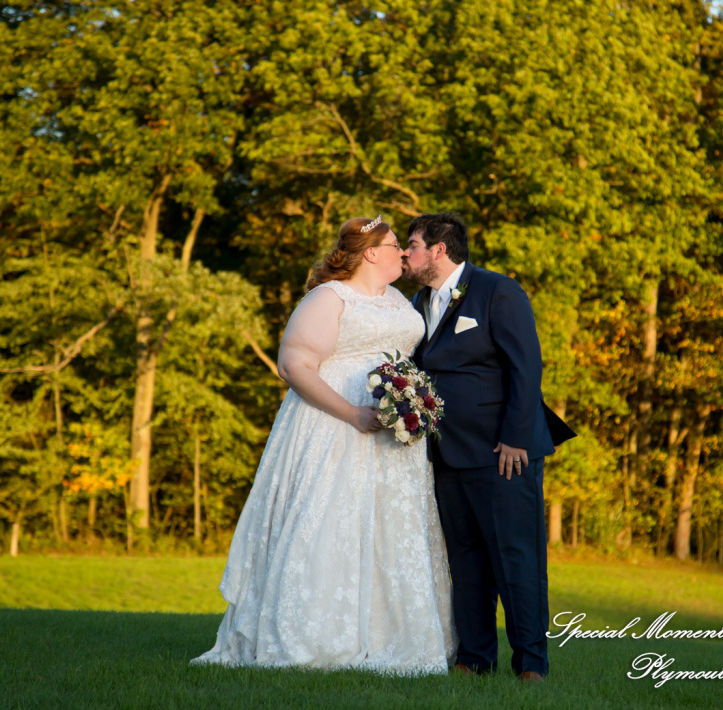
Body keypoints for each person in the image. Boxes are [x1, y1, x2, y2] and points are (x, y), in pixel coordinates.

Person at [191, 217, 455, 675]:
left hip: (394, 437)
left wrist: (410, 403)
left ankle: (389, 640)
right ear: (371, 252)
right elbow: (294, 365)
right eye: (396, 246)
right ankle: (314, 637)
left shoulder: (400, 300)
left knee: (391, 529)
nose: (404, 253)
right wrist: (353, 414)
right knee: (328, 519)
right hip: (334, 426)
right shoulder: (328, 297)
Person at [402, 213, 575, 683]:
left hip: (504, 453)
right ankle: (474, 658)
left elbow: (526, 366)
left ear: (440, 249)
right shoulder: (419, 302)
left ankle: (531, 665)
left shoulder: (497, 291)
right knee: (466, 560)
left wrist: (516, 437)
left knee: (516, 558)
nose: (406, 253)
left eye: (413, 245)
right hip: (446, 453)